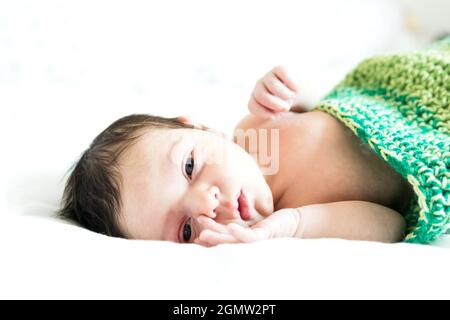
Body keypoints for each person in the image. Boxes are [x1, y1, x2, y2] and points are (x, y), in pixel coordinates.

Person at [60, 64, 413, 246]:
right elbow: (393, 224)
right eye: (186, 230)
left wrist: (290, 92)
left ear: (202, 129)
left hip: (401, 92)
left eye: (189, 167)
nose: (205, 205)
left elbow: (330, 107)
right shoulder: (293, 219)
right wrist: (288, 227)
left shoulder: (255, 127)